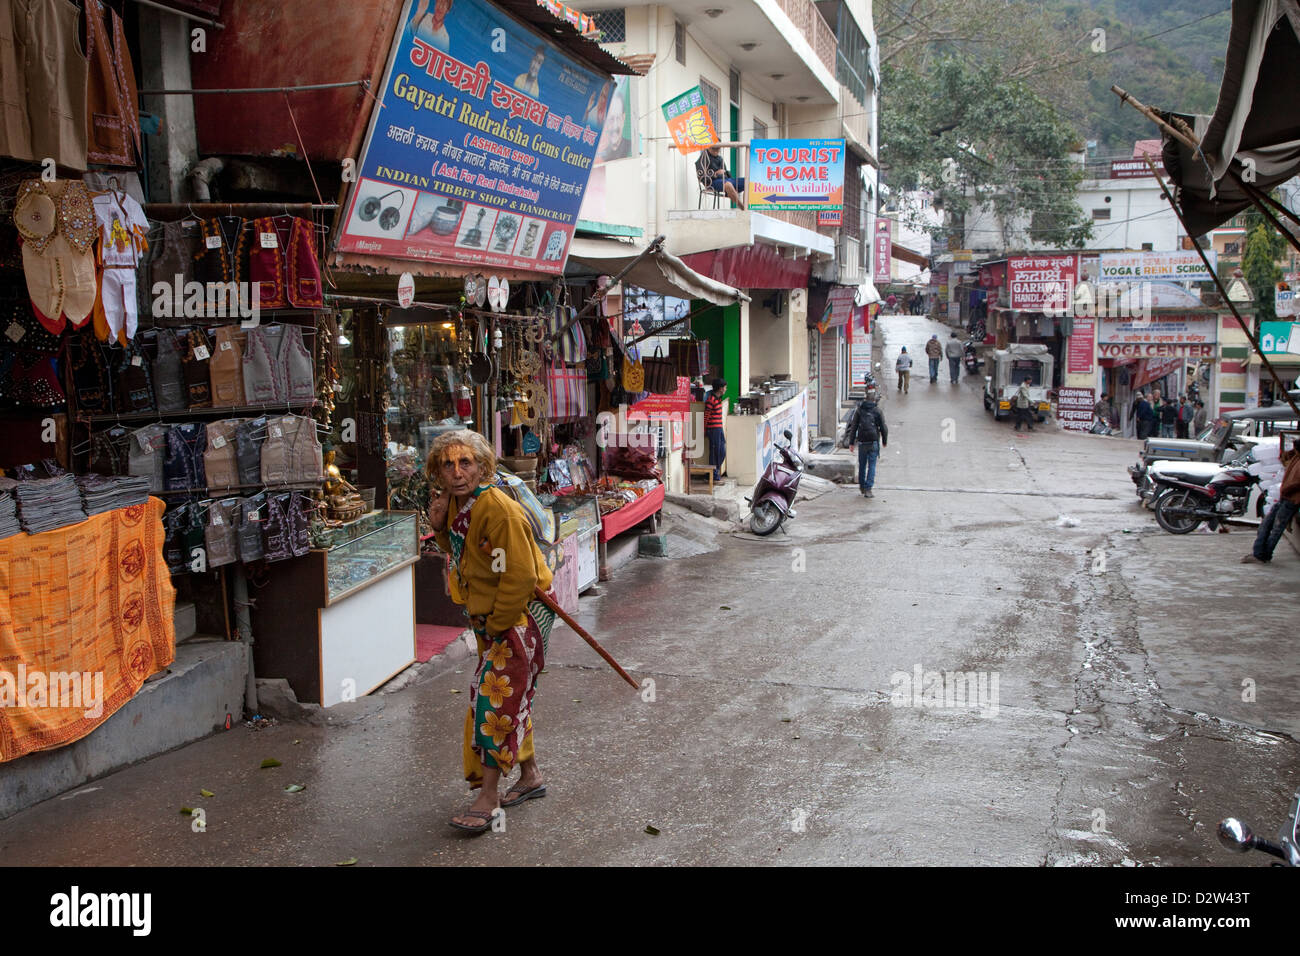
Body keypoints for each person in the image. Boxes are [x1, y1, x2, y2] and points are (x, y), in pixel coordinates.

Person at [426, 430, 556, 833]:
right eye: (448, 464)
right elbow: (463, 554)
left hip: (518, 617)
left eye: (466, 463)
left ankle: (487, 795)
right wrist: (440, 526)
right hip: (493, 619)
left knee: (493, 704)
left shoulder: (497, 509)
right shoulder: (460, 505)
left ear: (483, 467)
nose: (457, 472)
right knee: (510, 697)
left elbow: (518, 576)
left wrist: (498, 626)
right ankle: (531, 775)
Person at [1242, 439, 1300, 564]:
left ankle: (1264, 555)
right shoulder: (1296, 458)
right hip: (1286, 497)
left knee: (1276, 528)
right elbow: (1286, 458)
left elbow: (1296, 483)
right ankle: (1259, 553)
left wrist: (1286, 489)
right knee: (1267, 524)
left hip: (1291, 499)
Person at [844, 388, 888, 498]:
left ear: (865, 399)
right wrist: (884, 440)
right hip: (873, 440)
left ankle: (862, 486)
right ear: (874, 400)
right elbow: (883, 427)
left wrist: (851, 442)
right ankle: (868, 489)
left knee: (862, 465)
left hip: (862, 441)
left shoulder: (859, 410)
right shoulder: (877, 411)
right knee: (872, 465)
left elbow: (853, 427)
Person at [705, 377, 727, 480]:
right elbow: (706, 416)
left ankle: (715, 471)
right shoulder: (711, 400)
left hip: (719, 429)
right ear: (720, 389)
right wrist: (705, 430)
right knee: (715, 452)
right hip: (713, 429)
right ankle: (713, 474)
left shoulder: (718, 399)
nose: (725, 389)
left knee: (721, 451)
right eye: (724, 387)